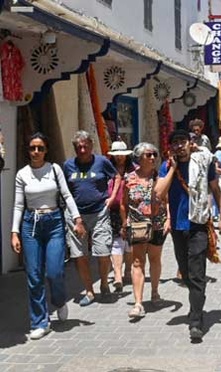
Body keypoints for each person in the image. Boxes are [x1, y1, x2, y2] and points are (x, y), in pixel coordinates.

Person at [11, 133, 86, 340]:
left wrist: (78, 219)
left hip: (54, 223)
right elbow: (18, 205)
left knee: (54, 272)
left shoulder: (54, 170)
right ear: (28, 150)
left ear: (46, 150)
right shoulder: (22, 174)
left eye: (40, 148)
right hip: (30, 225)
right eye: (32, 148)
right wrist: (14, 232)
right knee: (34, 276)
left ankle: (60, 301)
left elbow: (67, 195)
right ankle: (40, 322)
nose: (36, 152)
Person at [154, 129, 221, 341]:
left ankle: (196, 321)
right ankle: (197, 304)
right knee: (185, 274)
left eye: (182, 141)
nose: (179, 146)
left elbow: (215, 189)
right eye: (174, 143)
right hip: (178, 227)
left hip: (198, 226)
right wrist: (172, 170)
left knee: (196, 275)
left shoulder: (203, 163)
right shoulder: (167, 166)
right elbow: (159, 193)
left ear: (190, 143)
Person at [63, 130, 119, 306]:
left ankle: (103, 283)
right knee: (80, 255)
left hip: (99, 213)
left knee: (103, 252)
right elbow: (64, 189)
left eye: (85, 146)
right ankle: (89, 290)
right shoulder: (68, 165)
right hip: (75, 215)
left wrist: (111, 198)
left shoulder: (102, 161)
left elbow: (116, 177)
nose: (82, 150)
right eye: (78, 147)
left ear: (91, 145)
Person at [121, 143, 170, 318]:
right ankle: (138, 303)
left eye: (154, 154)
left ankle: (155, 292)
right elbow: (123, 203)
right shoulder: (128, 178)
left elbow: (166, 199)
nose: (152, 158)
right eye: (148, 155)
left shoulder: (160, 177)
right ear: (139, 158)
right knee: (137, 262)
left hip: (157, 223)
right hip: (137, 225)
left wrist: (169, 219)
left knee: (155, 259)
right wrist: (124, 222)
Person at [107, 141, 136, 292]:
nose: (119, 158)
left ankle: (127, 270)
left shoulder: (134, 170)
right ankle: (118, 275)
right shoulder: (107, 170)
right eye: (116, 155)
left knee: (129, 243)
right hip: (113, 211)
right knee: (116, 242)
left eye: (122, 155)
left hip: (131, 210)